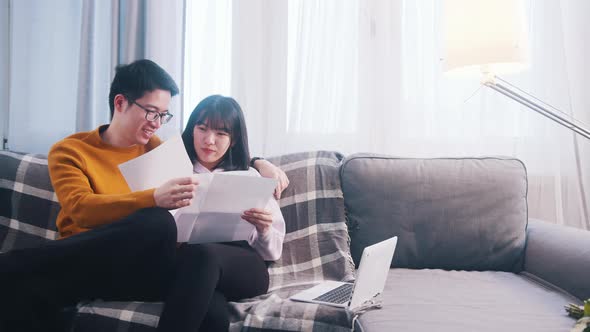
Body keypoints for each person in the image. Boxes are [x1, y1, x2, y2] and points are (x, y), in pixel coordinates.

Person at [0, 59, 287, 332]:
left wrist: (260, 162)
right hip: (87, 260)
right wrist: (154, 198)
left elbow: (219, 160)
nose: (157, 123)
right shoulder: (70, 150)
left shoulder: (158, 150)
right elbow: (81, 209)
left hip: (143, 265)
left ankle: (21, 262)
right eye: (151, 112)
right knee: (158, 222)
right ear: (120, 103)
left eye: (163, 115)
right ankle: (30, 263)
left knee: (210, 305)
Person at [168, 94, 286, 330]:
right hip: (190, 265)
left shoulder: (251, 178)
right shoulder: (173, 173)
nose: (209, 140)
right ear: (192, 130)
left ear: (233, 140)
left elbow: (273, 251)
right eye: (202, 128)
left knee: (204, 256)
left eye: (221, 133)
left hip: (242, 266)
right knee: (212, 316)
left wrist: (263, 229)